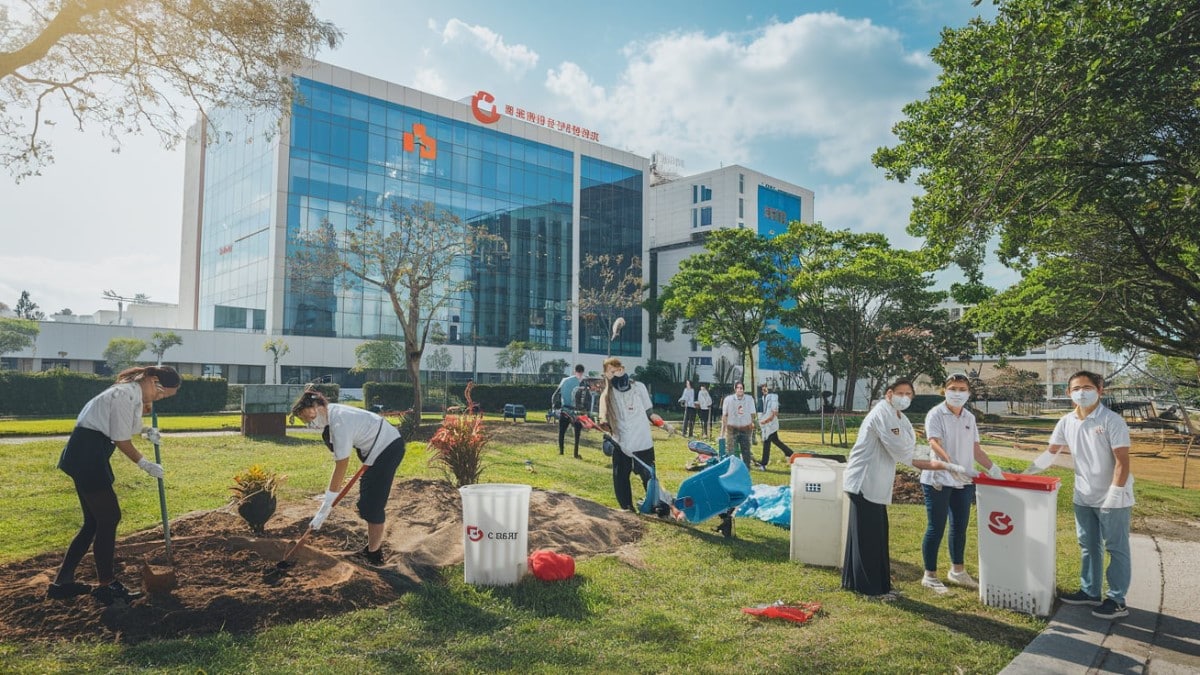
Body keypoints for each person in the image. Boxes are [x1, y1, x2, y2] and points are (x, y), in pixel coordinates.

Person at [49, 366, 181, 605]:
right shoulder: (123, 395)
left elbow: (127, 428)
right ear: (153, 381)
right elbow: (121, 439)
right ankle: (106, 586)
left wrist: (147, 430)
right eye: (162, 394)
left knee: (94, 522)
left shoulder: (130, 395)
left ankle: (62, 583)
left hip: (89, 454)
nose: (159, 399)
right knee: (109, 518)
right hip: (88, 455)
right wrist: (145, 464)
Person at [841, 378, 973, 600]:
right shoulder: (882, 415)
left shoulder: (899, 417)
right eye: (900, 393)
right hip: (864, 481)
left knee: (876, 534)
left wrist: (941, 461)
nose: (905, 397)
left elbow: (912, 447)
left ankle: (871, 584)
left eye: (909, 394)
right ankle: (869, 589)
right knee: (867, 537)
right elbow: (905, 455)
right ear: (888, 394)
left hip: (875, 483)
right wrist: (945, 465)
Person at [1025, 370, 1133, 620]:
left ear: (1100, 390)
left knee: (1116, 548)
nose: (1081, 393)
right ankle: (1090, 591)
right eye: (1076, 388)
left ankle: (1117, 599)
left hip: (1113, 498)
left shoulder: (1112, 421)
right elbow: (1051, 452)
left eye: (1087, 387)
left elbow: (1122, 462)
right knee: (1088, 545)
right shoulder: (1066, 421)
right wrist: (1027, 471)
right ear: (1068, 392)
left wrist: (1114, 495)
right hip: (1083, 495)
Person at [290, 389, 407, 565]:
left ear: (317, 406)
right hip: (376, 449)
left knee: (372, 505)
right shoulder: (333, 414)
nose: (310, 424)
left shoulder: (339, 422)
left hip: (387, 448)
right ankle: (371, 548)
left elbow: (341, 465)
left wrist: (326, 505)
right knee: (365, 502)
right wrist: (328, 500)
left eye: (309, 418)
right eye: (305, 421)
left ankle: (374, 555)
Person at [919, 372, 1005, 594]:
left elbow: (976, 449)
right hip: (938, 479)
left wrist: (993, 469)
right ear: (944, 390)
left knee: (959, 527)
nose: (957, 393)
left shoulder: (969, 417)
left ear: (968, 392)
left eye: (961, 389)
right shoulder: (935, 414)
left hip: (964, 481)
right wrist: (950, 464)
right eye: (953, 388)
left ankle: (957, 571)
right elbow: (934, 443)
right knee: (936, 527)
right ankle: (930, 575)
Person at [597, 357, 663, 512]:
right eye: (611, 372)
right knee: (621, 477)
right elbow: (603, 418)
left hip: (642, 439)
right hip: (621, 442)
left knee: (648, 474)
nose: (615, 374)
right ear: (606, 374)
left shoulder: (639, 387)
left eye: (617, 370)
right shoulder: (606, 396)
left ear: (623, 370)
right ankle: (627, 507)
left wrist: (659, 421)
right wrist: (603, 426)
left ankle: (656, 504)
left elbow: (649, 412)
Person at [722, 382, 758, 468]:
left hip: (745, 429)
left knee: (746, 451)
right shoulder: (728, 399)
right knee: (731, 451)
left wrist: (750, 424)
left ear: (743, 389)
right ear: (735, 389)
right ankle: (733, 468)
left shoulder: (749, 399)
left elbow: (752, 414)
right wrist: (723, 430)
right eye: (738, 388)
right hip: (732, 429)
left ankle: (746, 468)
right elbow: (724, 415)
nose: (739, 390)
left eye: (741, 388)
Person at [553, 364, 586, 457]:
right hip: (576, 411)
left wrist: (554, 407)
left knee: (562, 432)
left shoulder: (565, 380)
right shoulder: (583, 382)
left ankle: (561, 451)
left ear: (574, 371)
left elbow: (556, 394)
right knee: (577, 433)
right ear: (582, 372)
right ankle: (575, 454)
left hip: (564, 409)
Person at [757, 383, 795, 467]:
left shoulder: (773, 397)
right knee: (776, 441)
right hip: (767, 425)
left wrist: (767, 420)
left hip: (771, 424)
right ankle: (790, 453)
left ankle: (764, 462)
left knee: (767, 442)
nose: (764, 390)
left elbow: (775, 412)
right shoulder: (764, 398)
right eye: (763, 388)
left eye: (765, 388)